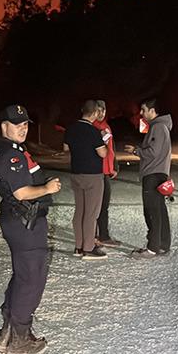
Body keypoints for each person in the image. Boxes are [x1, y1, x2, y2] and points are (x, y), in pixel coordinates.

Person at [0, 104, 61, 354]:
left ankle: (8, 330)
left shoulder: (12, 150)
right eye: (17, 124)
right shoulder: (10, 154)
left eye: (25, 124)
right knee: (32, 278)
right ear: (4, 126)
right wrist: (48, 188)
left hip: (18, 220)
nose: (23, 128)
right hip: (24, 221)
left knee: (23, 275)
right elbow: (22, 193)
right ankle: (19, 338)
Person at [124, 98, 173, 259]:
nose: (141, 113)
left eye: (144, 110)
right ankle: (163, 244)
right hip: (159, 172)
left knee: (152, 211)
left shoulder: (158, 127)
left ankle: (152, 248)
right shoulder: (160, 126)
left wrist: (136, 151)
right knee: (159, 210)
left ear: (153, 111)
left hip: (153, 173)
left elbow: (153, 151)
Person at [64, 100, 109, 260]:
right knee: (91, 213)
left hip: (76, 173)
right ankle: (89, 248)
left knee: (80, 211)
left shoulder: (71, 128)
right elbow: (103, 153)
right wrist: (104, 140)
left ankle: (79, 246)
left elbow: (66, 148)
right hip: (92, 176)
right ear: (96, 112)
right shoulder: (93, 131)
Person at [93, 100, 120, 247]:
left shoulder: (106, 126)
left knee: (104, 205)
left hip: (106, 171)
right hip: (97, 172)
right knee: (98, 206)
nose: (101, 113)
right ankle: (98, 236)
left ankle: (103, 235)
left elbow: (111, 148)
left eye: (103, 110)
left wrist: (114, 166)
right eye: (98, 110)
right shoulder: (93, 127)